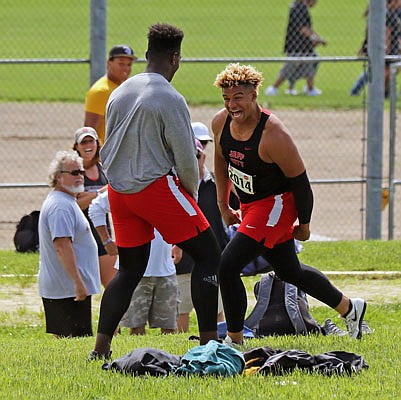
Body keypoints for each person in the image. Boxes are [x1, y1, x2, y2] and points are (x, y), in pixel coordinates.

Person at [89, 23, 221, 361]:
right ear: (176, 58)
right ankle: (209, 345)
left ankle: (100, 348)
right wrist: (190, 198)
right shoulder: (170, 97)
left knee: (130, 269)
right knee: (208, 254)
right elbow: (186, 159)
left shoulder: (120, 91)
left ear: (146, 55)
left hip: (119, 191)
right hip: (155, 187)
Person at [212, 63, 367, 346]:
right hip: (251, 206)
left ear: (254, 95)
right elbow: (221, 162)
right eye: (226, 98)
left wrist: (304, 225)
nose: (231, 105)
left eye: (238, 97)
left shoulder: (274, 135)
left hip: (276, 205)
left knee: (228, 265)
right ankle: (349, 307)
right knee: (288, 270)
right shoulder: (220, 122)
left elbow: (302, 185)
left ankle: (234, 341)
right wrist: (223, 205)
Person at [88, 191, 179, 336]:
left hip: (166, 270)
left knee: (169, 327)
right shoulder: (125, 186)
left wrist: (179, 244)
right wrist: (106, 241)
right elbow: (95, 208)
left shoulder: (166, 183)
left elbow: (181, 212)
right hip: (134, 271)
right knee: (136, 328)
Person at [174, 138, 236, 332]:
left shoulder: (216, 183)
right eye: (189, 157)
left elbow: (237, 206)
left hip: (213, 254)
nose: (194, 160)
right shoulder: (177, 186)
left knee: (216, 305)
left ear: (204, 157)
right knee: (182, 307)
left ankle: (218, 337)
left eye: (197, 156)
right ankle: (180, 341)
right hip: (185, 257)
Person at [38, 150, 101, 338]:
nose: (80, 177)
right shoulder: (60, 206)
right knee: (72, 343)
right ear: (58, 177)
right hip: (67, 290)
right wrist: (78, 283)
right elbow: (62, 246)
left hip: (69, 289)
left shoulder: (67, 201)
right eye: (74, 173)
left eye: (81, 172)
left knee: (72, 343)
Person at [73, 127, 116, 288]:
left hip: (103, 235)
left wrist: (88, 196)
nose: (88, 145)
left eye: (91, 141)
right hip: (80, 236)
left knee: (112, 286)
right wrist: (101, 193)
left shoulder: (104, 169)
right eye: (83, 142)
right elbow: (77, 205)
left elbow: (114, 193)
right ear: (76, 147)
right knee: (84, 288)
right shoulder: (74, 171)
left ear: (97, 144)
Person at [265, 0, 326, 97]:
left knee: (311, 62)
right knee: (290, 67)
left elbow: (307, 27)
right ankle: (273, 88)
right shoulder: (299, 8)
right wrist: (316, 38)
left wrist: (317, 38)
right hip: (297, 45)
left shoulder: (299, 6)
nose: (315, 3)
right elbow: (303, 28)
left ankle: (309, 88)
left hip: (303, 46)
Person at [84, 44, 138, 145]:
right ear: (109, 63)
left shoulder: (120, 87)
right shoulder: (101, 91)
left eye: (129, 64)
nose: (126, 69)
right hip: (106, 156)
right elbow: (89, 133)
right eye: (121, 64)